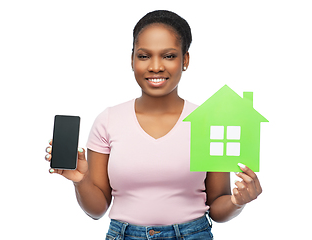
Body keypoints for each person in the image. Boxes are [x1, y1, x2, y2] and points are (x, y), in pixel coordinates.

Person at [45, 10, 262, 240]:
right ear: (132, 60)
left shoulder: (208, 122)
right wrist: (81, 180)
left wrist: (238, 202)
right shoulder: (108, 121)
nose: (155, 66)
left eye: (168, 56)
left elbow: (217, 206)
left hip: (193, 234)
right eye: (144, 56)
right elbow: (97, 209)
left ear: (185, 60)